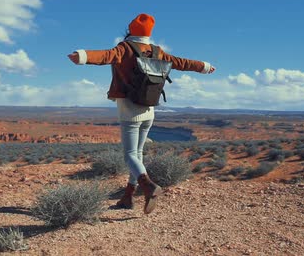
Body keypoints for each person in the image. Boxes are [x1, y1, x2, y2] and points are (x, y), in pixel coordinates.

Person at [67, 13, 215, 214]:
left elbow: (106, 56)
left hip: (129, 108)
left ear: (130, 30)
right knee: (137, 154)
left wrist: (82, 56)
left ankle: (148, 186)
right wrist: (204, 67)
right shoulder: (157, 51)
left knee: (129, 155)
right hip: (149, 109)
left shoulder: (125, 48)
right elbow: (180, 62)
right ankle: (128, 197)